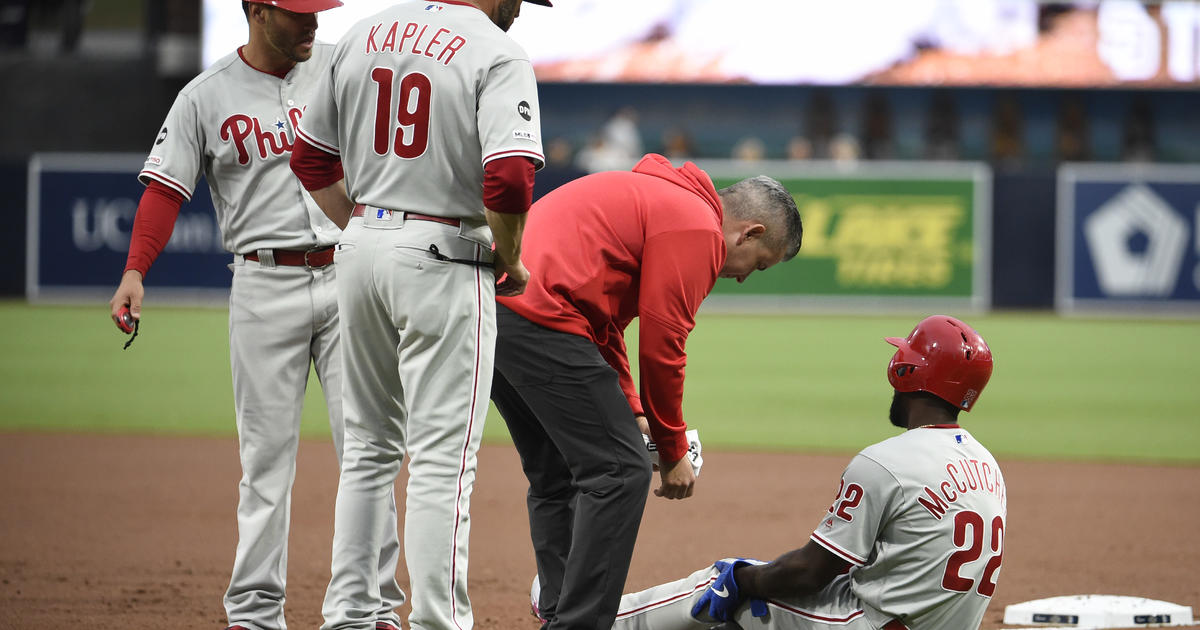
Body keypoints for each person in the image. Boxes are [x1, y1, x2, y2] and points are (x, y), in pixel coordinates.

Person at [107, 2, 404, 629]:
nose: (314, 22)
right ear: (259, 11)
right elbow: (165, 189)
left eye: (318, 10)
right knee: (266, 462)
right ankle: (254, 612)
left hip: (350, 272)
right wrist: (136, 270)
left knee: (368, 449)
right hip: (263, 283)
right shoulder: (204, 96)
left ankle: (372, 607)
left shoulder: (343, 67)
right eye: (299, 13)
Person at [286, 0, 550, 629]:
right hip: (444, 255)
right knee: (441, 460)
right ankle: (438, 622)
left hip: (359, 245)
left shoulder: (364, 32)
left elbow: (309, 159)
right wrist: (511, 256)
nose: (520, 8)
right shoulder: (497, 49)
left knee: (369, 448)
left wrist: (365, 232)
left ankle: (349, 615)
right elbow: (510, 178)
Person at [492, 153, 805, 630]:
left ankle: (560, 613)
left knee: (556, 473)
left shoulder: (664, 200)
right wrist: (673, 447)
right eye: (756, 265)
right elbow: (663, 346)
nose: (742, 276)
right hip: (544, 318)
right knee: (621, 472)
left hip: (498, 312)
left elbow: (605, 327)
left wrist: (636, 412)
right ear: (751, 232)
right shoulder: (698, 227)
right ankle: (579, 623)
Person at [605, 314, 1003, 630]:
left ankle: (591, 620)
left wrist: (741, 579)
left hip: (872, 624)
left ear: (904, 372)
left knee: (723, 582)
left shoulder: (887, 462)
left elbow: (811, 573)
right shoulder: (989, 467)